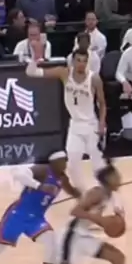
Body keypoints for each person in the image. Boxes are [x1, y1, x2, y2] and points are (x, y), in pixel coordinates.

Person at [11, 163, 132, 264]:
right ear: (108, 179)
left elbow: (99, 219)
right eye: (116, 176)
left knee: (118, 258)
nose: (119, 179)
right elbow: (75, 211)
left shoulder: (109, 196)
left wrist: (114, 220)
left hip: (82, 236)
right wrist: (101, 220)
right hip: (71, 237)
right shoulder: (97, 193)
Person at [26, 48, 107, 191]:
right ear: (73, 61)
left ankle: (106, 190)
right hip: (75, 125)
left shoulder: (94, 78)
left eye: (84, 61)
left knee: (97, 162)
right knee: (73, 162)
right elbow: (31, 72)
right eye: (78, 60)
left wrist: (102, 122)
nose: (81, 64)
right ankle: (82, 192)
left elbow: (102, 103)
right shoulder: (64, 73)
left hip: (91, 125)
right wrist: (34, 60)